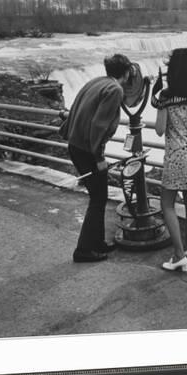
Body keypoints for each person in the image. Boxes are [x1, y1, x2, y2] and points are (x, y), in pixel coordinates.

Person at [59, 54, 132, 263]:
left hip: (76, 145)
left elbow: (77, 109)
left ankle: (97, 242)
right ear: (127, 72)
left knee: (99, 196)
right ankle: (83, 250)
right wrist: (99, 157)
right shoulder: (115, 90)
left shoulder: (96, 82)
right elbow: (99, 125)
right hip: (87, 150)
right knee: (98, 198)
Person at [152, 48, 187, 272]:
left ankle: (178, 255)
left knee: (167, 204)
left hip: (176, 156)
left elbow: (158, 130)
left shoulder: (167, 96)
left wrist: (160, 105)